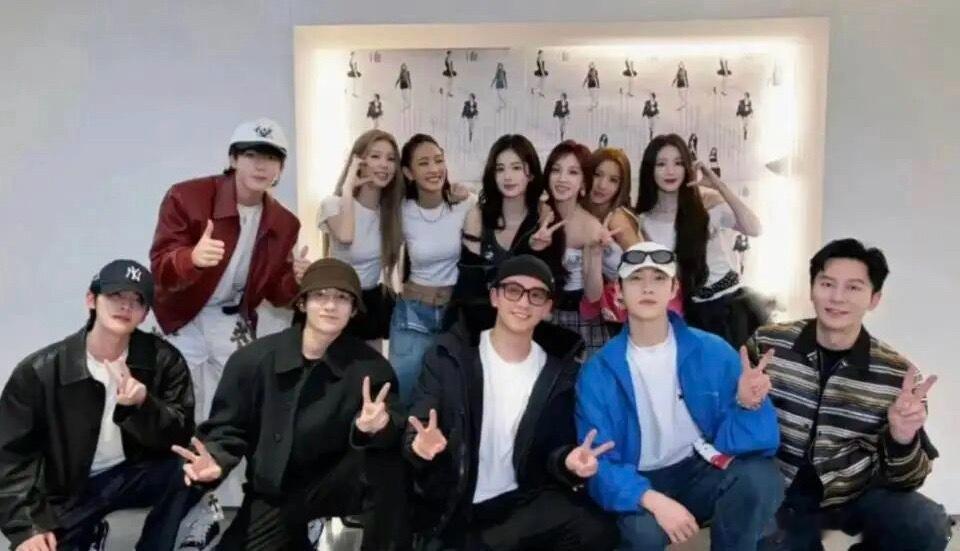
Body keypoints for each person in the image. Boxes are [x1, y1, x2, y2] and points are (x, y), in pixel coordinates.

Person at [174, 259, 411, 550]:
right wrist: (216, 459)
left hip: (338, 489)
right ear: (302, 303)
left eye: (342, 297)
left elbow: (396, 426)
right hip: (277, 493)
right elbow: (228, 428)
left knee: (387, 466)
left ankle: (342, 532)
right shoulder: (253, 360)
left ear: (353, 309)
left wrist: (375, 428)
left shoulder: (371, 368)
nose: (330, 305)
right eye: (320, 295)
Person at [577, 242, 784, 550]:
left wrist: (746, 405)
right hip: (639, 478)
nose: (648, 287)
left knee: (760, 478)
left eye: (659, 278)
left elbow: (756, 445)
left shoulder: (713, 351)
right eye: (636, 279)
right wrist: (652, 499)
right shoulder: (598, 371)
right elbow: (599, 462)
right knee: (642, 536)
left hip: (699, 469)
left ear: (674, 288)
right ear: (618, 292)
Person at [750, 239, 952, 551]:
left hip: (854, 492)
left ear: (874, 299)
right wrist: (743, 400)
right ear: (812, 289)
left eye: (854, 288)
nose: (837, 298)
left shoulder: (897, 375)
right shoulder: (768, 344)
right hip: (781, 490)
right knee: (773, 540)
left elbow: (908, 481)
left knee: (926, 524)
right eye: (827, 284)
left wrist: (902, 438)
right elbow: (732, 423)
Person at [405, 255, 619, 550]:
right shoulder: (450, 356)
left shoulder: (559, 373)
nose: (523, 303)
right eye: (513, 291)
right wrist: (419, 446)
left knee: (596, 530)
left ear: (547, 308)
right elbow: (417, 425)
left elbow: (554, 449)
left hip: (519, 504)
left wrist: (567, 462)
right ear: (495, 296)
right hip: (456, 505)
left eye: (536, 295)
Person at [0, 260, 197, 551]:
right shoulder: (41, 370)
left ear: (145, 314)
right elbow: (10, 455)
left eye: (137, 300)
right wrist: (27, 526)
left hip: (131, 475)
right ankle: (90, 533)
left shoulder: (163, 360)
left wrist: (143, 406)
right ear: (91, 300)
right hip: (65, 492)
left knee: (188, 468)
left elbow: (180, 436)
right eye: (116, 295)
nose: (126, 306)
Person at [635, 133, 766, 348]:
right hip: (690, 313)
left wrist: (718, 185)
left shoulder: (707, 204)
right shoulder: (643, 221)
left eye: (678, 163)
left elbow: (754, 228)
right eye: (661, 164)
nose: (670, 171)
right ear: (650, 170)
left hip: (731, 308)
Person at [389, 134, 476, 405]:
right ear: (408, 173)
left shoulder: (466, 205)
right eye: (424, 163)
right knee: (406, 394)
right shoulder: (401, 210)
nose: (434, 169)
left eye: (438, 160)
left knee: (453, 399)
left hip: (454, 312)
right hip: (413, 313)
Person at [451, 133, 566, 337]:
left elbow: (551, 288)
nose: (507, 176)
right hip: (480, 328)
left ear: (531, 174)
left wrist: (536, 250)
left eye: (516, 168)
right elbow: (469, 286)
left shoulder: (545, 219)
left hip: (530, 331)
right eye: (500, 169)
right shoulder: (478, 217)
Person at [318, 129, 404, 353]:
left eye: (391, 159)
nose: (384, 164)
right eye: (375, 156)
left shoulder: (391, 214)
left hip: (370, 303)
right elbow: (346, 236)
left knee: (372, 369)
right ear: (359, 162)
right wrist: (348, 188)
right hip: (335, 301)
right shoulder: (333, 204)